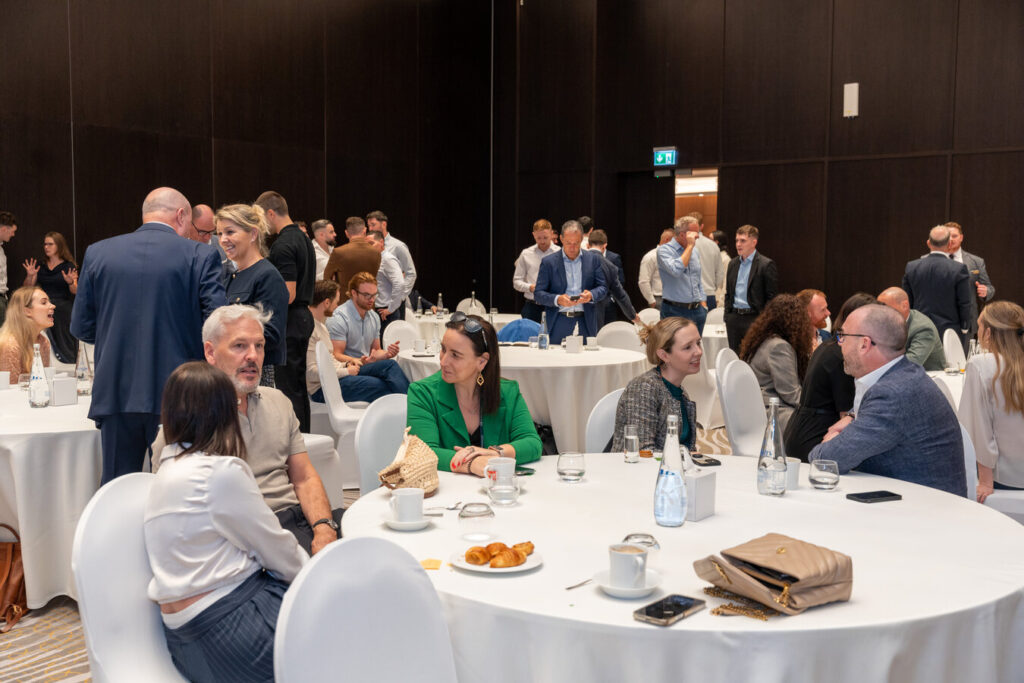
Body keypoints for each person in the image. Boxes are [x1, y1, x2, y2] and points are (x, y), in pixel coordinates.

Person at [145, 361, 307, 683]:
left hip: (184, 644)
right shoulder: (219, 474)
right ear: (222, 413)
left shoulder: (165, 472)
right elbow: (279, 553)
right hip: (236, 628)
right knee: (340, 619)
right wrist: (316, 579)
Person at [153, 305, 344, 553]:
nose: (253, 356)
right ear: (210, 352)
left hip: (297, 519)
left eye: (259, 346)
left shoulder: (278, 401)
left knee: (370, 542)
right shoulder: (189, 419)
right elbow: (171, 508)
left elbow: (304, 477)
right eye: (239, 346)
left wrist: (324, 528)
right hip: (245, 537)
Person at [71, 187, 226, 484]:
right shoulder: (201, 255)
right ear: (181, 216)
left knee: (117, 487)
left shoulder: (98, 252)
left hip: (115, 391)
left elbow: (81, 327)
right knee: (180, 486)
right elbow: (216, 326)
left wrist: (116, 338)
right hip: (181, 392)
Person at [809, 304, 966, 496]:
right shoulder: (904, 374)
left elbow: (825, 460)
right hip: (912, 497)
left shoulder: (892, 394)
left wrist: (833, 440)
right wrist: (852, 417)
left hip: (922, 507)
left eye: (843, 336)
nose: (839, 343)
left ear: (864, 344)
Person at [407, 313, 541, 473]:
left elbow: (532, 443)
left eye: (455, 355)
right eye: (443, 349)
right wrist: (472, 464)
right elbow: (423, 454)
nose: (443, 361)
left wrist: (495, 453)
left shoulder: (508, 392)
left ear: (482, 361)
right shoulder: (422, 393)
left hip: (497, 487)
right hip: (446, 488)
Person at [784, 292, 876, 462]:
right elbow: (845, 418)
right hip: (814, 441)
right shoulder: (842, 357)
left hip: (801, 432)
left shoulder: (829, 346)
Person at [256, 190, 316, 433]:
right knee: (297, 385)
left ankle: (295, 439)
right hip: (303, 316)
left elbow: (288, 293)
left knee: (288, 386)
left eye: (261, 218)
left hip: (291, 319)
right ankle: (304, 436)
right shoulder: (303, 238)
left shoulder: (283, 245)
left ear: (270, 213)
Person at [959, 301, 1024, 502]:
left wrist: (985, 480)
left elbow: (977, 428)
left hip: (1005, 477)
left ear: (988, 333)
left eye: (979, 326)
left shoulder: (982, 365)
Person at [217, 203, 289, 386]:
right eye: (219, 234)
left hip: (255, 373)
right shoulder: (230, 275)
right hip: (233, 370)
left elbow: (272, 334)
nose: (223, 240)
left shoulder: (268, 276)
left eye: (230, 232)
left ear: (253, 234)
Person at [611, 317, 701, 454]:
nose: (699, 351)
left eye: (698, 343)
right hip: (637, 467)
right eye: (687, 347)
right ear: (664, 355)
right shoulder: (643, 388)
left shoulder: (680, 392)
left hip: (672, 466)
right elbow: (642, 453)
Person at [308, 279, 404, 403]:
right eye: (336, 302)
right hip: (323, 388)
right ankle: (412, 408)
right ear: (327, 302)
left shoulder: (321, 326)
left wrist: (347, 364)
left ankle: (412, 406)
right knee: (382, 385)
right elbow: (311, 373)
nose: (337, 306)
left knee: (390, 365)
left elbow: (330, 360)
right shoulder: (310, 329)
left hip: (338, 375)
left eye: (374, 295)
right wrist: (346, 371)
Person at [739, 294, 812, 434]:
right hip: (772, 411)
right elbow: (791, 394)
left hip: (759, 405)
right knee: (818, 424)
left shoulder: (765, 340)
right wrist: (815, 406)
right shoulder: (779, 347)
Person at [534, 220, 607, 344]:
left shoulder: (593, 260)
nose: (572, 248)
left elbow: (603, 287)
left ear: (582, 239)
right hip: (558, 320)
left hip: (585, 321)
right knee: (556, 356)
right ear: (561, 239)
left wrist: (591, 295)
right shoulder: (549, 262)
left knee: (586, 356)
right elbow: (538, 294)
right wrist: (557, 299)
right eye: (568, 243)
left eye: (576, 243)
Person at [901, 224, 972, 342]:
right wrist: (965, 326)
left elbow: (907, 300)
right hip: (949, 331)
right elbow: (964, 302)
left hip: (919, 328)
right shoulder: (958, 269)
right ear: (949, 244)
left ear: (928, 243)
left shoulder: (912, 267)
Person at [22, 232, 79, 363]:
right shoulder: (40, 265)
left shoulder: (68, 266)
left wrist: (71, 282)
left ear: (59, 245)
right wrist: (30, 275)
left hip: (62, 306)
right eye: (45, 244)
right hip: (43, 306)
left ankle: (69, 360)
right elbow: (27, 288)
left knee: (62, 315)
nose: (46, 247)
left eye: (50, 244)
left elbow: (75, 291)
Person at [724, 224, 778, 352]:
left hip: (754, 318)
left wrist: (764, 321)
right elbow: (728, 293)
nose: (738, 244)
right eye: (737, 240)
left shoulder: (765, 264)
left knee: (754, 356)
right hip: (734, 318)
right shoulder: (733, 263)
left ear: (754, 242)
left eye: (743, 241)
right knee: (735, 356)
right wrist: (727, 316)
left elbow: (772, 299)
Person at [946, 222, 995, 341]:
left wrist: (986, 291)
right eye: (947, 236)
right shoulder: (930, 261)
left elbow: (989, 287)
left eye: (954, 236)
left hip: (967, 321)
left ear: (961, 237)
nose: (951, 239)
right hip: (941, 318)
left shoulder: (976, 261)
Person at [877, 286, 946, 371]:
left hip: (928, 375)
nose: (882, 313)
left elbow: (912, 363)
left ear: (904, 305)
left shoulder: (923, 328)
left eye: (886, 308)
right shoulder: (887, 323)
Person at [657, 215, 706, 331]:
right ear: (683, 234)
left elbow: (698, 279)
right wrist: (690, 246)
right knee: (673, 342)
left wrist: (703, 304)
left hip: (697, 310)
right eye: (695, 233)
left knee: (696, 343)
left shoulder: (695, 251)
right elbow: (676, 270)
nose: (698, 236)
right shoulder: (664, 250)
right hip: (674, 310)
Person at [366, 210, 415, 318]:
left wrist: (400, 297)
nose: (370, 228)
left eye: (373, 225)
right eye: (368, 226)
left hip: (394, 303)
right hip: (377, 301)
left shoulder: (398, 246)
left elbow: (411, 273)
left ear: (384, 224)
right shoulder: (368, 245)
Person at [0, 286, 54, 383]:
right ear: (27, 311)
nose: (53, 306)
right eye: (44, 302)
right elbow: (10, 388)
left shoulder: (43, 342)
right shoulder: (10, 345)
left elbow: (43, 383)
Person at [587, 229, 639, 328]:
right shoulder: (609, 266)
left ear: (588, 245)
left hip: (569, 313)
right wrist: (632, 315)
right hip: (596, 315)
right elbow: (621, 295)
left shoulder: (575, 260)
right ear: (604, 246)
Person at [512, 218, 560, 323]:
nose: (542, 241)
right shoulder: (526, 253)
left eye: (545, 237)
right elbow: (516, 282)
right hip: (531, 306)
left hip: (553, 305)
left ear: (552, 234)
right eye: (538, 238)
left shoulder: (560, 253)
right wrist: (530, 287)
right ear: (533, 235)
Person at [323, 216, 380, 303]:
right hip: (368, 303)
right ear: (365, 231)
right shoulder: (376, 253)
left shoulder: (338, 252)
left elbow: (327, 278)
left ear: (346, 233)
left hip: (344, 303)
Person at [366, 229, 411, 335]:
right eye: (366, 245)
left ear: (381, 242)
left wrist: (391, 308)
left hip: (386, 312)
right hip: (378, 309)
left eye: (371, 243)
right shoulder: (376, 259)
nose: (368, 247)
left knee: (387, 343)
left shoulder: (388, 259)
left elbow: (399, 283)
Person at [687, 211, 725, 310]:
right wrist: (711, 288)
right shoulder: (713, 245)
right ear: (702, 226)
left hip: (688, 296)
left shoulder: (683, 245)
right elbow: (720, 273)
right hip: (709, 294)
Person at [638, 228, 674, 309]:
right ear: (667, 240)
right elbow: (643, 281)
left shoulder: (675, 256)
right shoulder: (651, 256)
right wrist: (651, 301)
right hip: (659, 300)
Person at [0, 211, 18, 322]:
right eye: (12, 231)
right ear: (4, 229)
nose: (13, 235)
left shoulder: (1, 250)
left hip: (3, 298)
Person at [711, 229, 730, 305]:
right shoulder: (712, 256)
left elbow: (726, 283)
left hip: (717, 299)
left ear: (717, 242)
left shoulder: (725, 259)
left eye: (710, 239)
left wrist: (721, 301)